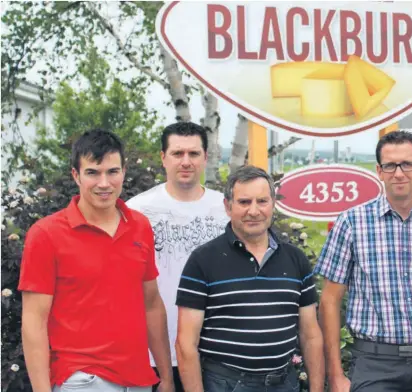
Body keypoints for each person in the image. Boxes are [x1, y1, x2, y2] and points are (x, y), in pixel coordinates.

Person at [19, 129, 174, 392]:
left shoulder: (139, 226)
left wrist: (167, 378)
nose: (104, 183)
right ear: (75, 175)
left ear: (123, 171)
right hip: (81, 380)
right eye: (93, 172)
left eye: (112, 172)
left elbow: (152, 305)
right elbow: (34, 321)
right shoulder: (46, 234)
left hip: (139, 380)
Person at [315, 130, 412, 392]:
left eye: (407, 164)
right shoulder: (352, 223)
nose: (399, 173)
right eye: (390, 165)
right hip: (374, 363)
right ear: (379, 171)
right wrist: (336, 374)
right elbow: (329, 300)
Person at [174, 165, 325, 392]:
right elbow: (186, 344)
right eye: (244, 202)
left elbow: (310, 335)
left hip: (284, 384)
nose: (254, 211)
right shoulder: (202, 260)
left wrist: (316, 388)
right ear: (228, 206)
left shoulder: (296, 259)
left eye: (262, 201)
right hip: (225, 384)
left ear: (273, 204)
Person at [126, 122, 230, 392]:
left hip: (217, 353)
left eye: (194, 154)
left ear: (205, 157)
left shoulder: (227, 211)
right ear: (163, 157)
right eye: (177, 153)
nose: (186, 162)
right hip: (152, 355)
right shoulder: (136, 211)